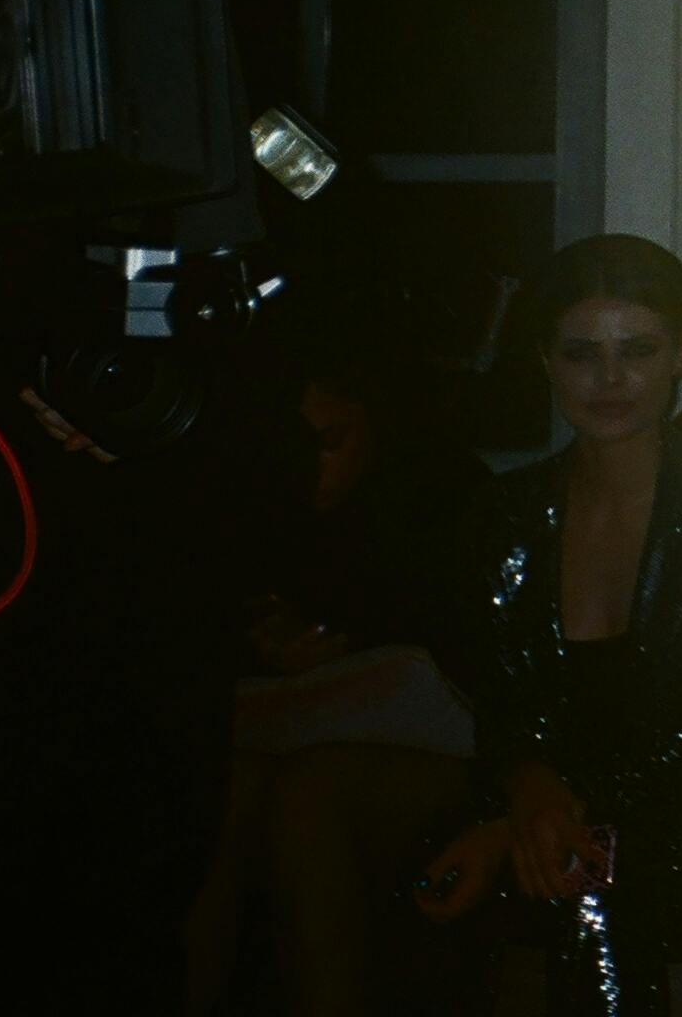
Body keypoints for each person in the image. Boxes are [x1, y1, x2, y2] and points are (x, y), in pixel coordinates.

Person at [418, 235, 682, 1013]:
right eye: (582, 354)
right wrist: (523, 788)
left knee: (583, 886)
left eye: (637, 350)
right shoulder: (503, 514)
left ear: (681, 353)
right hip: (556, 816)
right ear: (545, 360)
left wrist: (538, 821)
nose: (610, 379)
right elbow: (506, 703)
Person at [183, 326, 489, 1017]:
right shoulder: (253, 503)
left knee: (307, 796)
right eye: (298, 448)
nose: (315, 468)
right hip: (306, 728)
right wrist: (261, 637)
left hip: (440, 750)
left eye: (333, 442)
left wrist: (351, 642)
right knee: (221, 786)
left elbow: (457, 646)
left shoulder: (443, 493)